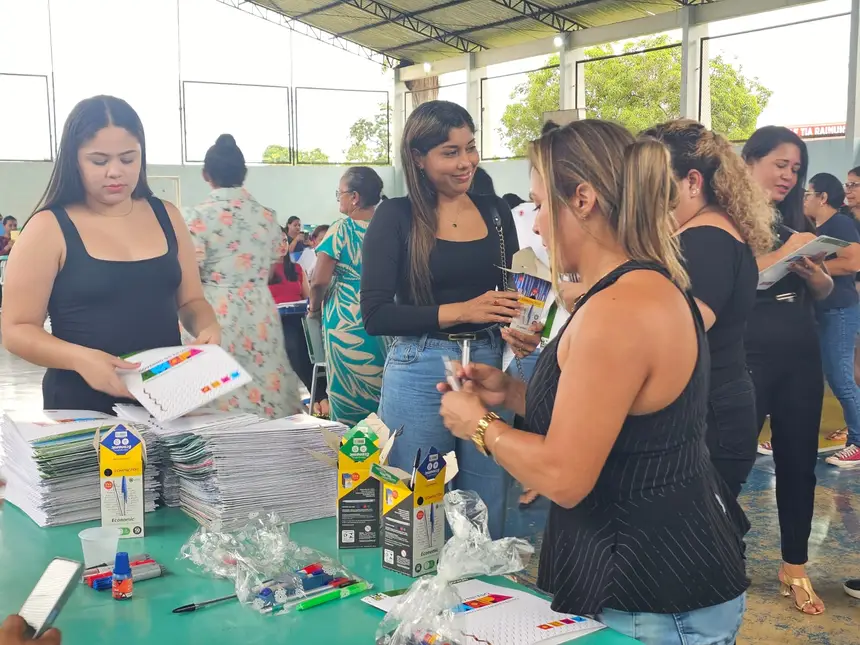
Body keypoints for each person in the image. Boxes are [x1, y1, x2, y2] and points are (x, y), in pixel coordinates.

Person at [439, 120, 748, 644]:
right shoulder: (635, 287)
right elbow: (620, 419)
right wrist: (512, 394)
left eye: (539, 204)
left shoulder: (619, 309)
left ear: (582, 199)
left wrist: (480, 425)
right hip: (655, 579)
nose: (537, 224)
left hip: (655, 593)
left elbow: (564, 476)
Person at [361, 100, 538, 540]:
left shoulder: (495, 211)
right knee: (419, 509)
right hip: (419, 365)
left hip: (487, 364)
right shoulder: (396, 216)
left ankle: (485, 580)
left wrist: (519, 328)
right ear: (418, 158)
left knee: (486, 505)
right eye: (450, 152)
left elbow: (509, 293)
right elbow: (376, 314)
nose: (465, 162)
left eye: (470, 147)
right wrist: (463, 311)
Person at [0, 95, 220, 414]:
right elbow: (16, 330)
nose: (115, 172)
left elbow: (191, 301)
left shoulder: (167, 216)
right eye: (99, 161)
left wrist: (207, 326)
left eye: (128, 159)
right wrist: (80, 358)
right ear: (74, 160)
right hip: (82, 407)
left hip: (166, 400)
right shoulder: (48, 228)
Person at [642, 119, 774, 499]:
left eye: (653, 181)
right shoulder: (712, 230)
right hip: (715, 408)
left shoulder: (704, 240)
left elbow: (683, 330)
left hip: (709, 419)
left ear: (692, 182)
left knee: (700, 528)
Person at [742, 126, 833, 615]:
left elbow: (823, 292)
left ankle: (794, 566)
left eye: (796, 169)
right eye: (780, 164)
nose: (788, 176)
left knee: (799, 463)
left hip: (801, 355)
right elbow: (738, 281)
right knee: (731, 461)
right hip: (747, 356)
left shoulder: (795, 221)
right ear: (749, 161)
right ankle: (720, 555)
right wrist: (789, 250)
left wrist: (815, 275)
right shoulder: (726, 220)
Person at [183, 134, 301, 418]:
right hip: (260, 312)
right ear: (243, 174)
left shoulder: (196, 218)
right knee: (264, 386)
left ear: (205, 174)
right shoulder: (267, 217)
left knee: (216, 389)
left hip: (213, 313)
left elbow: (190, 276)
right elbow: (272, 266)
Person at [309, 167, 387, 425]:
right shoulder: (388, 227)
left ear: (354, 197)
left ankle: (352, 444)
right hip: (383, 315)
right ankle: (384, 441)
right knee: (381, 387)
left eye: (339, 193)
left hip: (346, 318)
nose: (338, 199)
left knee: (347, 391)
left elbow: (319, 280)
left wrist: (314, 309)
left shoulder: (341, 229)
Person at [803, 173, 860, 467]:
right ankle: (792, 434)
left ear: (823, 197)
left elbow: (853, 263)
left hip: (839, 309)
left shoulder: (840, 224)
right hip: (817, 311)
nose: (804, 200)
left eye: (808, 194)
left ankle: (858, 442)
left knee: (841, 378)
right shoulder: (812, 227)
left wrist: (812, 267)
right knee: (804, 378)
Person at [269, 236, 329, 416]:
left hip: (300, 318)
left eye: (284, 241)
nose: (282, 245)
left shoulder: (296, 269)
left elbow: (308, 298)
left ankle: (320, 396)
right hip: (275, 323)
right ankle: (319, 396)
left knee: (307, 342)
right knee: (294, 343)